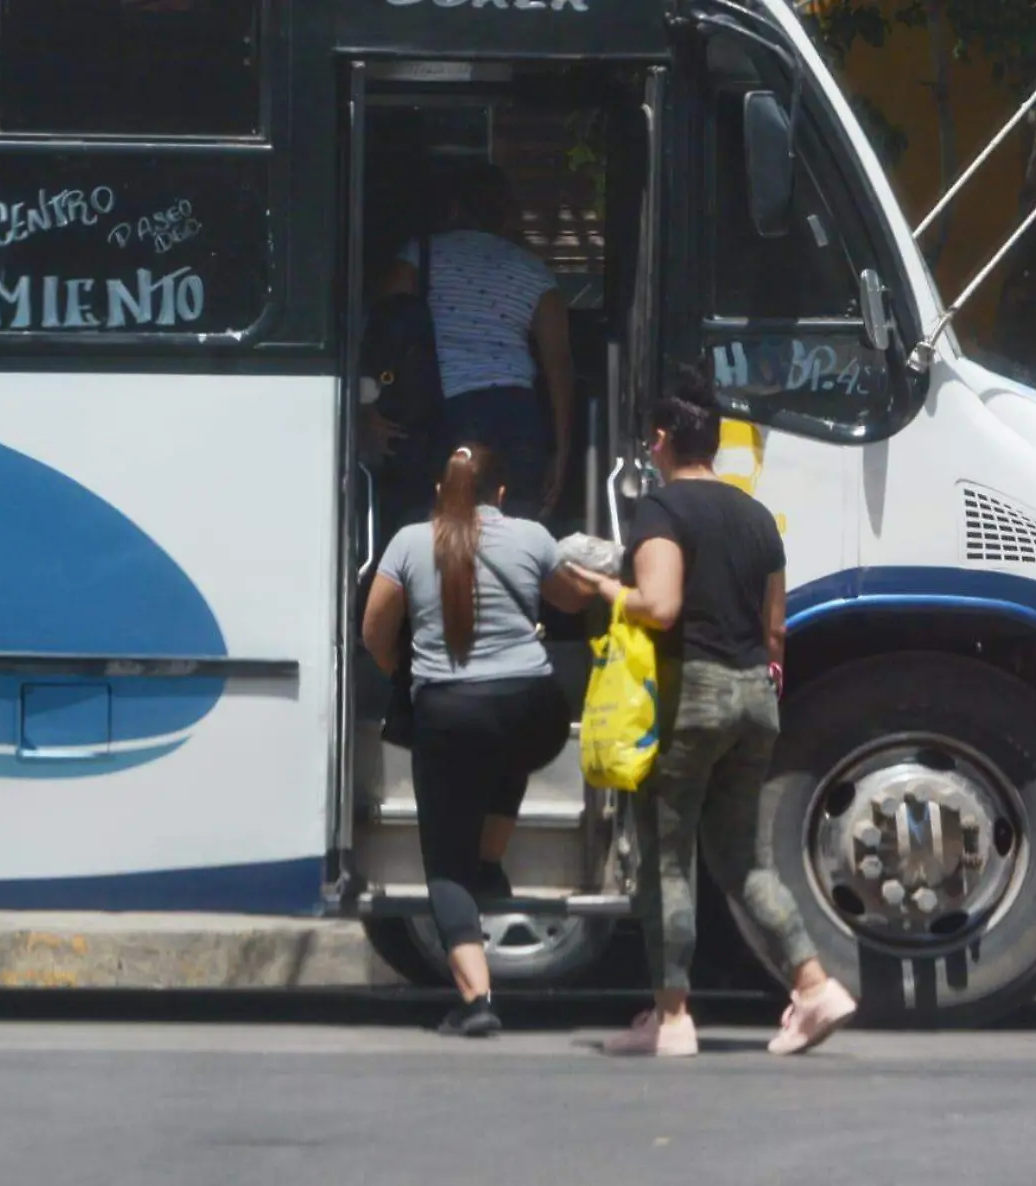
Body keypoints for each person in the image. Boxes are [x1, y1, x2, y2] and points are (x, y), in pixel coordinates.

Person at [573, 375, 856, 1058]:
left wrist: (605, 586)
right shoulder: (756, 517)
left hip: (690, 695)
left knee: (667, 861)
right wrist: (761, 683)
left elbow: (662, 606)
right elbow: (776, 629)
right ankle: (815, 986)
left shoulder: (662, 511)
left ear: (662, 442)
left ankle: (671, 1017)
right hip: (755, 695)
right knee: (743, 861)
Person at [362, 444, 590, 1037]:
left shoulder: (410, 542)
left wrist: (402, 674)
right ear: (503, 494)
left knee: (445, 863)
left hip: (449, 714)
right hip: (533, 712)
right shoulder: (533, 536)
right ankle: (492, 859)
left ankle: (476, 997)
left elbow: (375, 630)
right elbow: (571, 600)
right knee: (505, 745)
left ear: (442, 491)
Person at [369, 164, 576, 523]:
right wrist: (561, 449)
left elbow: (380, 334)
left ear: (453, 207)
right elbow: (559, 367)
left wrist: (366, 408)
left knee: (441, 526)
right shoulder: (534, 270)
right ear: (507, 212)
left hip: (445, 407)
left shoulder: (419, 256)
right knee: (513, 525)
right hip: (517, 412)